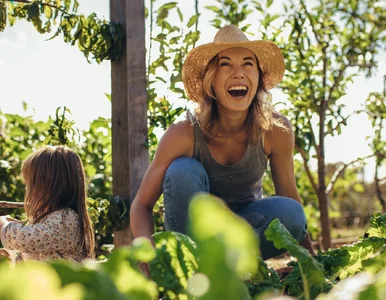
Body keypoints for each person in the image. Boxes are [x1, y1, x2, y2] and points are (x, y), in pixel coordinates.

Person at [130, 25, 315, 261]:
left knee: (292, 213)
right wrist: (146, 251)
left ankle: (231, 268)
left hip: (247, 231)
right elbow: (141, 205)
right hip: (193, 239)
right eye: (225, 64)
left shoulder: (275, 130)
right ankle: (194, 270)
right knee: (182, 170)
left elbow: (289, 195)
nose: (238, 73)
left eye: (248, 63)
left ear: (258, 78)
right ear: (211, 80)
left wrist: (310, 265)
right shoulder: (184, 133)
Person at [0, 146, 95, 262]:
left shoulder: (66, 219)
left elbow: (25, 240)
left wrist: (3, 225)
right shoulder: (48, 220)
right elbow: (35, 252)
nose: (26, 189)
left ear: (45, 186)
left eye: (28, 184)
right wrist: (13, 256)